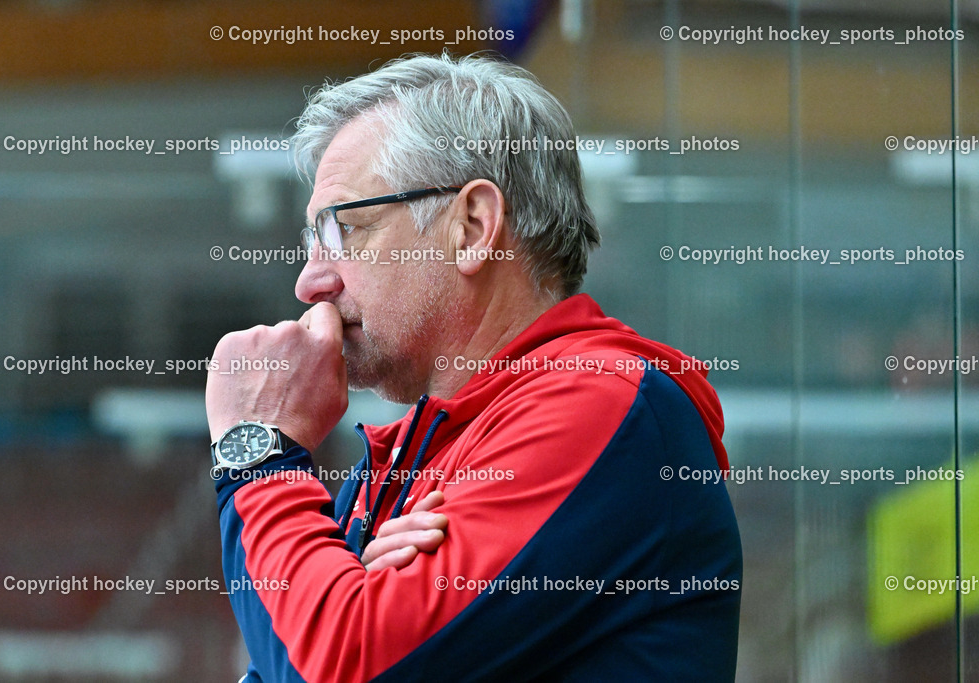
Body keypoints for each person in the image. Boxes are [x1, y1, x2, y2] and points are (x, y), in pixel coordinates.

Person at [206, 52, 741, 682]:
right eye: (313, 239)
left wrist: (257, 451)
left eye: (346, 229)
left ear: (472, 226)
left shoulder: (601, 404)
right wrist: (345, 602)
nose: (311, 281)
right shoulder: (407, 458)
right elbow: (300, 658)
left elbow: (334, 667)